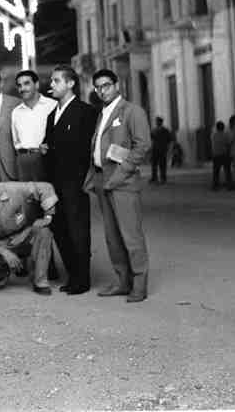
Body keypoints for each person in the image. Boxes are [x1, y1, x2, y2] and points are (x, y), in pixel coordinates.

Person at [83, 69, 151, 303]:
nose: (102, 91)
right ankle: (123, 281)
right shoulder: (102, 113)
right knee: (112, 237)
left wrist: (122, 173)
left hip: (123, 182)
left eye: (106, 86)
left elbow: (142, 146)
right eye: (98, 87)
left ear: (117, 85)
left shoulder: (132, 111)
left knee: (131, 236)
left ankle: (139, 284)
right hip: (103, 180)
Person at [41, 65, 98, 295]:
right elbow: (51, 142)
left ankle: (82, 280)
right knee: (60, 228)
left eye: (56, 80)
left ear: (71, 83)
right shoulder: (52, 115)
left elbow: (88, 148)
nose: (51, 85)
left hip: (76, 182)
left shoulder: (86, 112)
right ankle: (73, 275)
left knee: (78, 230)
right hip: (55, 182)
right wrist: (46, 148)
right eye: (52, 81)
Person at [0, 159, 58, 295]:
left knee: (44, 231)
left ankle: (40, 280)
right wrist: (5, 252)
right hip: (3, 242)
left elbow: (45, 187)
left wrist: (48, 216)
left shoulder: (12, 188)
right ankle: (1, 274)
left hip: (25, 236)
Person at [11, 70, 57, 181]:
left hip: (45, 158)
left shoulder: (52, 105)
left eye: (26, 83)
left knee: (47, 190)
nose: (22, 88)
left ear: (36, 85)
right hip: (23, 160)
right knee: (25, 191)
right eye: (19, 85)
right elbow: (15, 140)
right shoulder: (16, 112)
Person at [211, 121, 234, 191]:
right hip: (224, 154)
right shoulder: (226, 135)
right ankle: (229, 185)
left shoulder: (213, 135)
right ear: (223, 127)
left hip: (216, 155)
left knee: (216, 171)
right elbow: (229, 143)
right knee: (227, 171)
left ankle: (215, 185)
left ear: (217, 128)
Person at [150, 117, 173, 185]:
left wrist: (167, 147)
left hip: (162, 149)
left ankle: (163, 178)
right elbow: (151, 138)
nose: (156, 123)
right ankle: (154, 177)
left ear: (161, 122)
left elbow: (169, 139)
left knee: (162, 164)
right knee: (154, 164)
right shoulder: (154, 130)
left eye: (157, 121)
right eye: (156, 121)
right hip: (155, 149)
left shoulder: (165, 130)